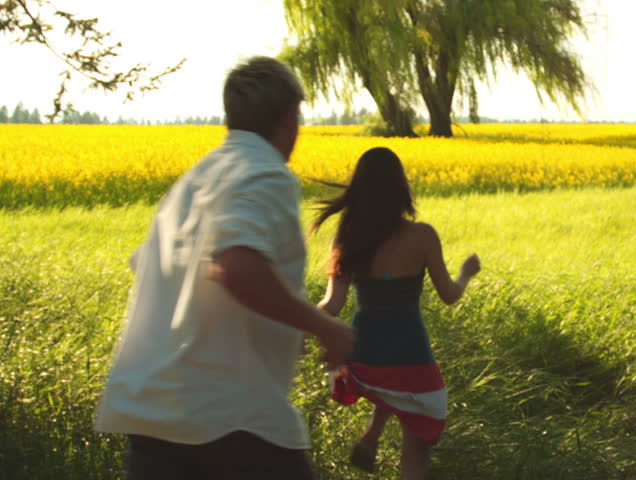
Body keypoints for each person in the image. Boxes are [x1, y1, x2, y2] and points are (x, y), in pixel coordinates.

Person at [94, 56, 354, 480]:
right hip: (230, 420)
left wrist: (282, 328)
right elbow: (237, 267)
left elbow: (162, 271)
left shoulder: (196, 180)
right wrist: (326, 327)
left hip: (154, 416)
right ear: (290, 115)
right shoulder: (266, 173)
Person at [312, 147, 481, 480]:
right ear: (400, 188)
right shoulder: (423, 236)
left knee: (387, 384)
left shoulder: (347, 238)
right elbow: (449, 295)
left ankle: (372, 434)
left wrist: (298, 324)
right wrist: (466, 273)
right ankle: (376, 437)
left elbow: (332, 304)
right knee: (416, 445)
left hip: (365, 353)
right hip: (409, 351)